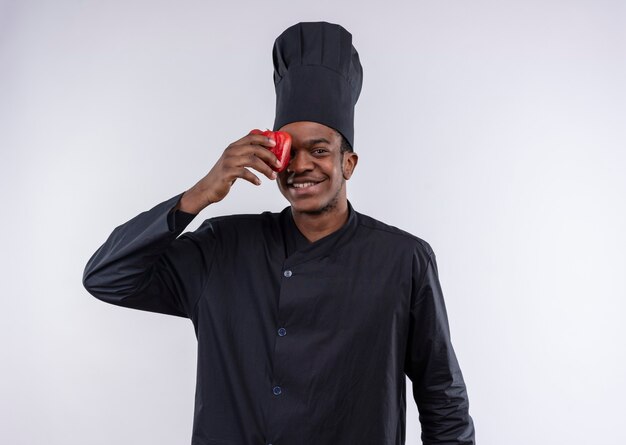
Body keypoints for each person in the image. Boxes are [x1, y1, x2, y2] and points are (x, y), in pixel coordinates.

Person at [83, 21, 475, 445]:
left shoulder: (403, 259)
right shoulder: (222, 247)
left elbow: (442, 399)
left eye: (320, 149)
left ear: (349, 163)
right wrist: (197, 196)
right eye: (289, 149)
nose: (301, 165)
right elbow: (107, 278)